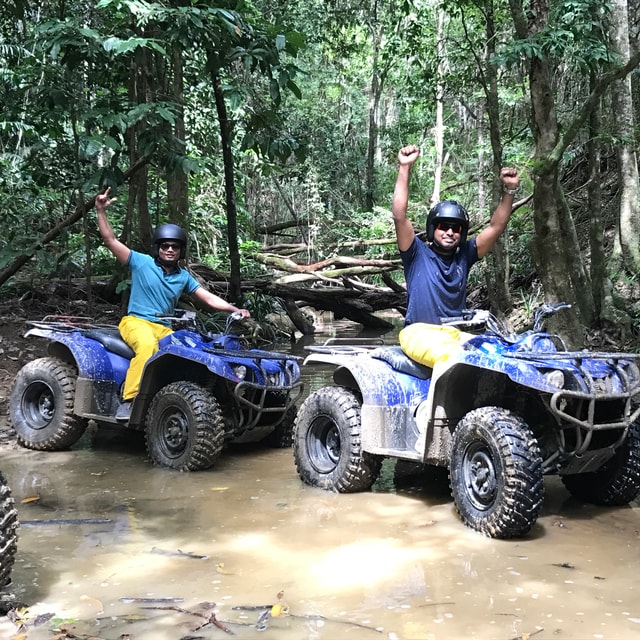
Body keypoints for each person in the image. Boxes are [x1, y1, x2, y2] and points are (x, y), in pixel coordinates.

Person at [95, 187, 250, 420]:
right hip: (136, 322)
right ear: (157, 248)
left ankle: (180, 402)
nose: (169, 249)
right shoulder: (141, 262)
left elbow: (207, 297)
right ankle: (129, 400)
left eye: (174, 246)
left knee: (187, 353)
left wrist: (234, 308)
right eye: (165, 245)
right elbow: (110, 240)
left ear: (180, 251)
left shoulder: (183, 276)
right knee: (147, 347)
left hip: (164, 328)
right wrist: (100, 211)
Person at [392, 144, 520, 326]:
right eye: (444, 226)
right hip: (418, 335)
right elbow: (399, 216)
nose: (450, 232)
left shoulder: (465, 256)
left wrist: (509, 190)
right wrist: (405, 167)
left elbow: (496, 227)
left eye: (456, 228)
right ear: (432, 229)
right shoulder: (415, 254)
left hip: (452, 337)